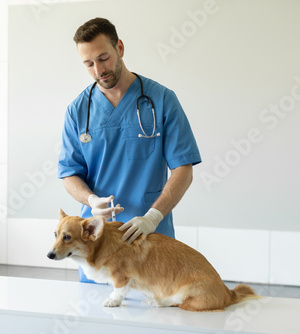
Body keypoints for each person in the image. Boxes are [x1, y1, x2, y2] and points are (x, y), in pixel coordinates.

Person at [58, 18, 201, 283]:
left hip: (149, 238)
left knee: (159, 314)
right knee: (99, 317)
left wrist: (152, 217)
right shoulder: (78, 110)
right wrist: (90, 200)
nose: (98, 70)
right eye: (89, 64)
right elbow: (69, 173)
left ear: (120, 48)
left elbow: (183, 168)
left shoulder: (161, 100)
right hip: (96, 242)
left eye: (104, 58)